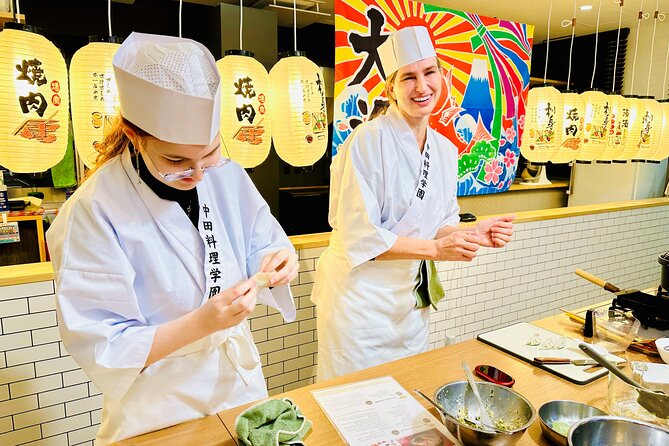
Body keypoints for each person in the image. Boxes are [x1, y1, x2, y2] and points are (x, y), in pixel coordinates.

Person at [46, 32, 298, 445]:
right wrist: (200, 323)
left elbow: (264, 241)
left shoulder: (226, 175)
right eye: (176, 161)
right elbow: (104, 345)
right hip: (158, 409)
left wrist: (279, 259)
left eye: (210, 153)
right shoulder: (93, 211)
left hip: (240, 392)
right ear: (134, 135)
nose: (198, 174)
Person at [311, 26, 514, 381]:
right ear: (390, 88)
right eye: (408, 77)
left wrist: (471, 233)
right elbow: (362, 237)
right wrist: (436, 249)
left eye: (429, 72)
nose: (422, 87)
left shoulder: (445, 149)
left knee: (406, 393)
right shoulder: (367, 140)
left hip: (407, 306)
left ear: (443, 76)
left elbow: (441, 220)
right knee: (353, 403)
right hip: (359, 303)